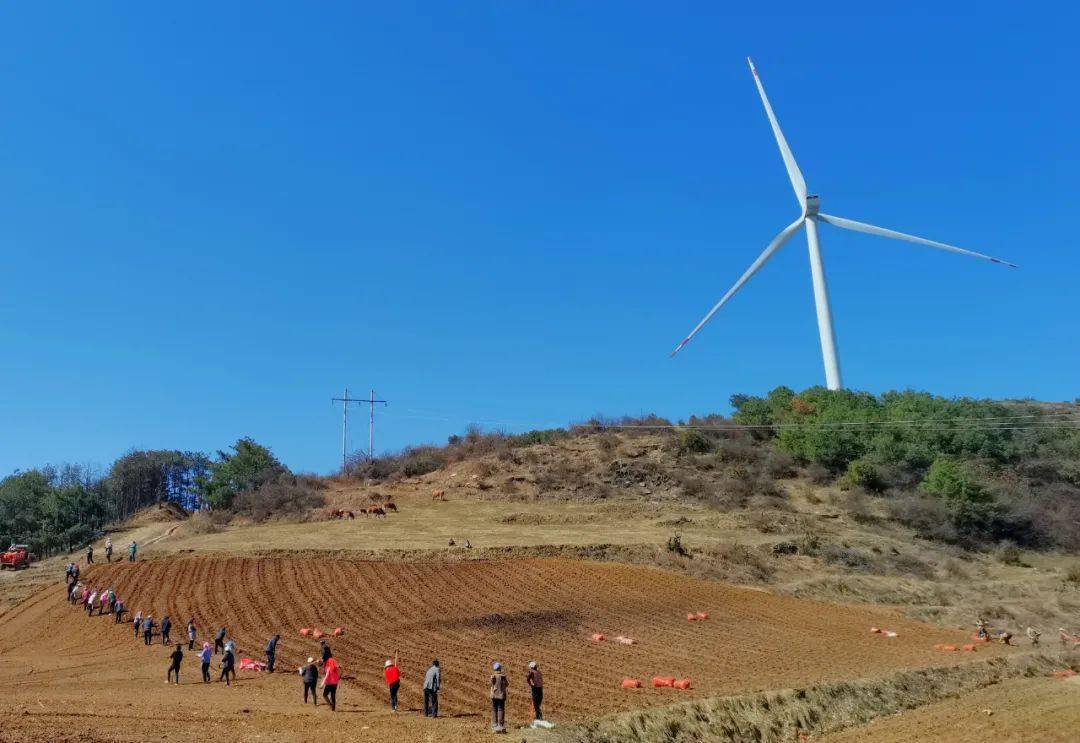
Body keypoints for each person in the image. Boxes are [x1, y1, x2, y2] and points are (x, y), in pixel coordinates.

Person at [490, 662, 509, 732]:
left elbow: (491, 684)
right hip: (501, 696)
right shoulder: (503, 677)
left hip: (494, 695)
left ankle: (494, 724)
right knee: (501, 709)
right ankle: (500, 725)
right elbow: (507, 684)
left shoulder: (493, 676)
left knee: (494, 709)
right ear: (500, 668)